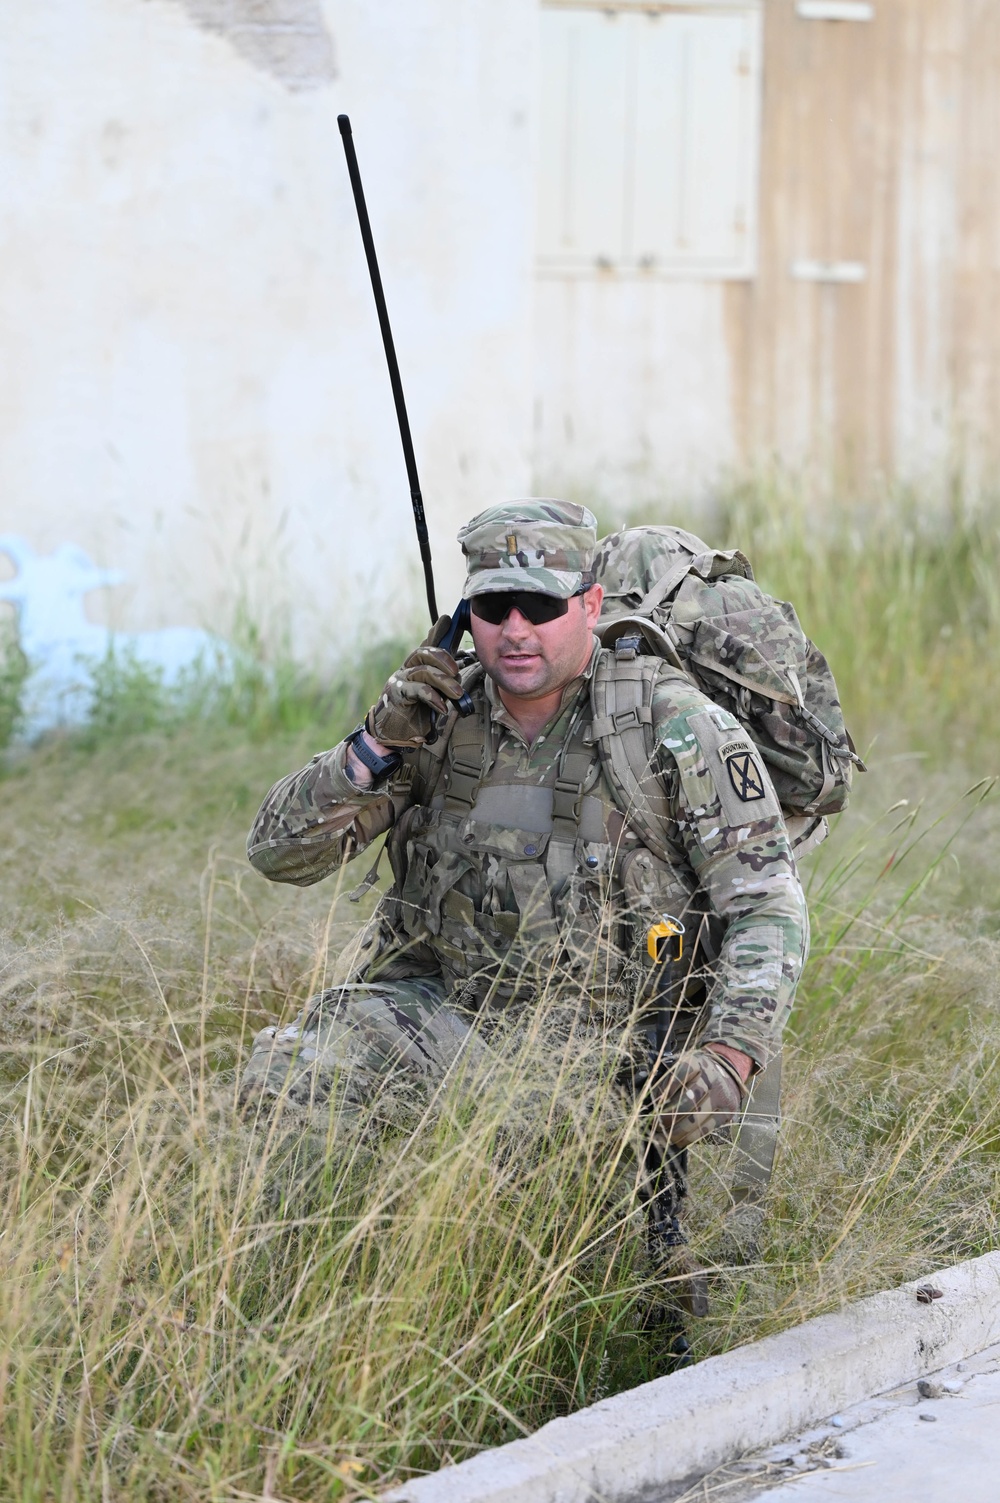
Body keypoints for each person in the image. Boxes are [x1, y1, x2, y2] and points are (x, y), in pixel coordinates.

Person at [239, 500, 809, 1291]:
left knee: (676, 1292)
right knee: (293, 1077)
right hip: (457, 1021)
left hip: (626, 1050)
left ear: (590, 605)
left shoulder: (671, 725)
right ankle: (304, 1292)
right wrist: (372, 745)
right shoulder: (434, 717)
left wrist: (729, 1053)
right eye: (492, 607)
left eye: (540, 606)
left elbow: (767, 908)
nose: (515, 629)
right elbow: (278, 853)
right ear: (465, 616)